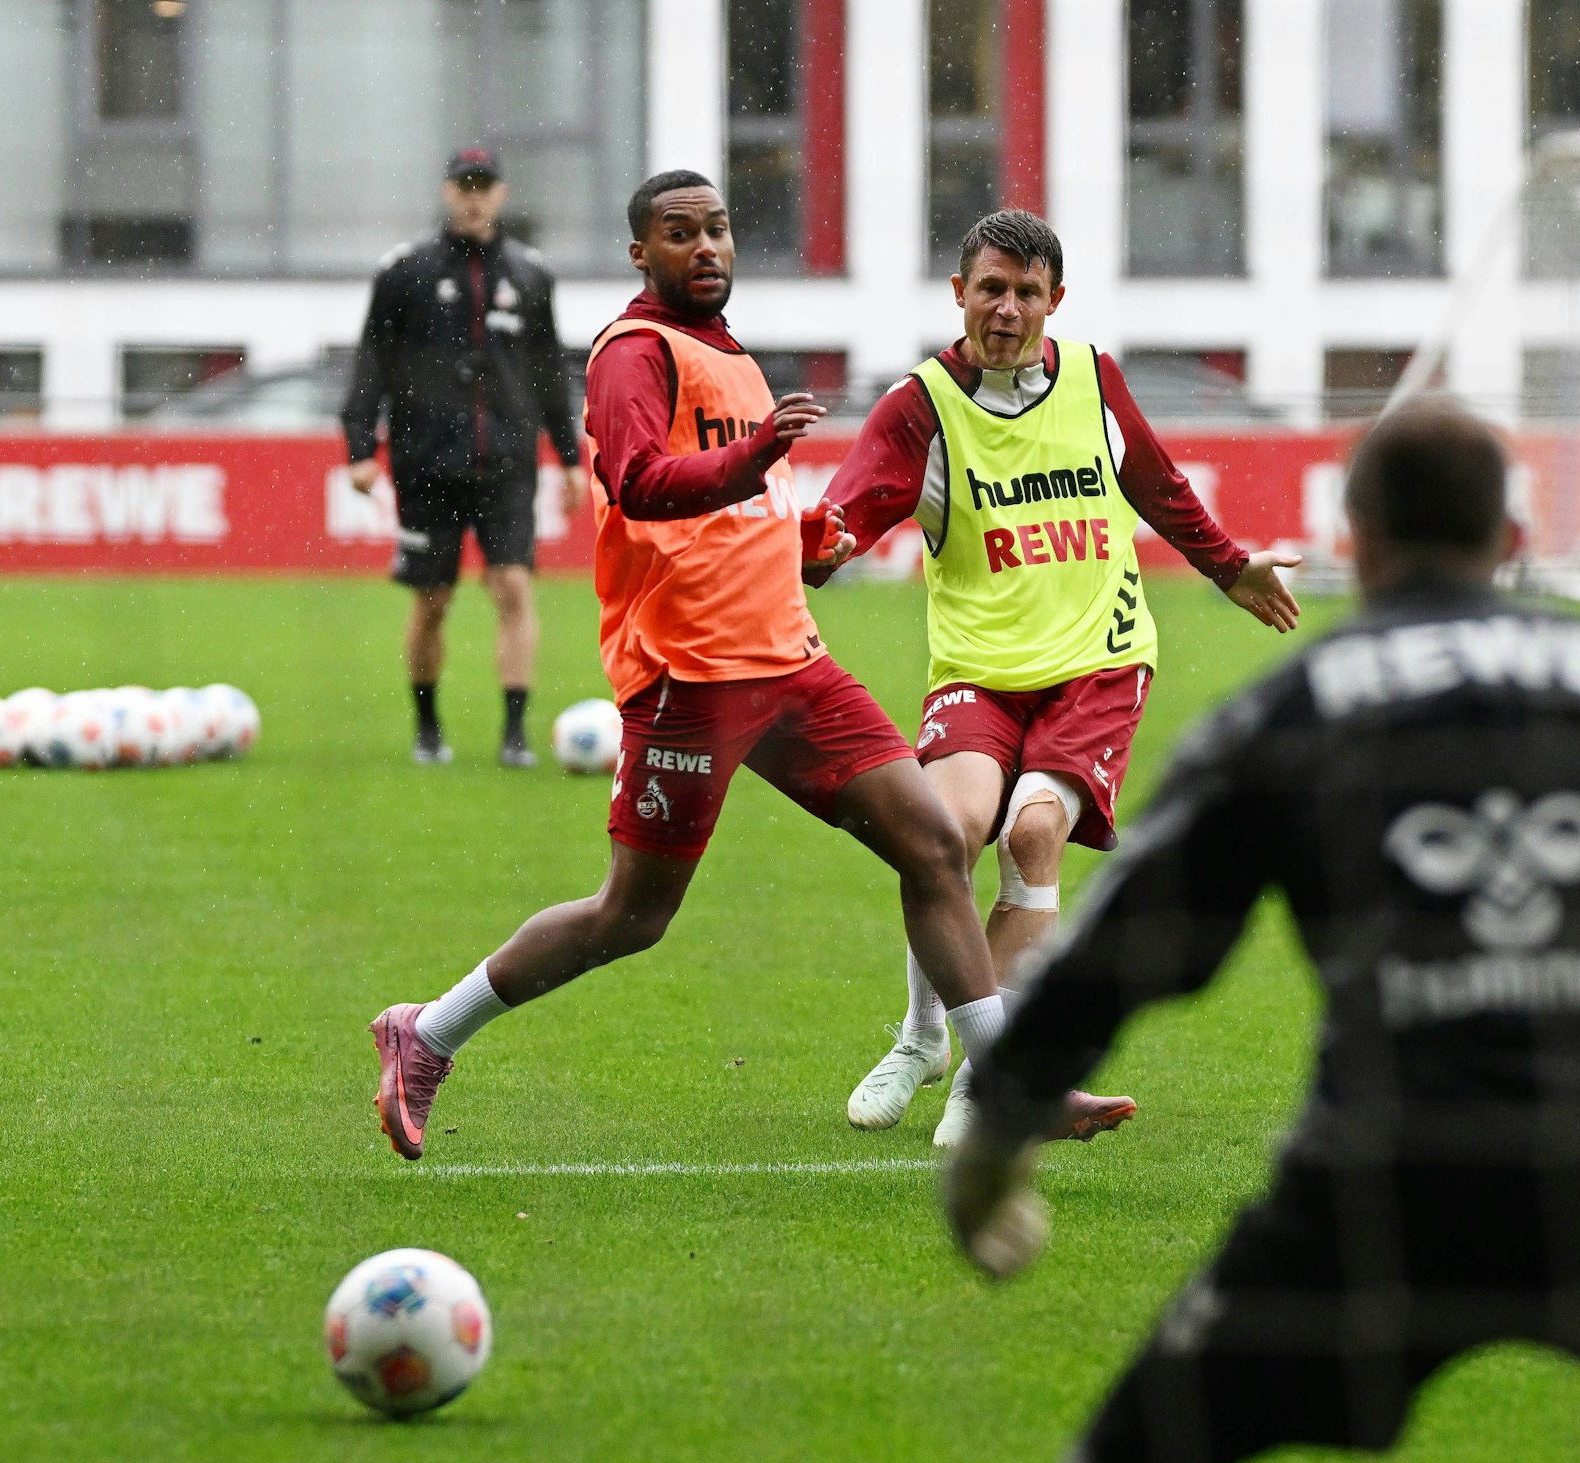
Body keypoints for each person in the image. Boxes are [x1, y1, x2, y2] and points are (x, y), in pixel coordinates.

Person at [945, 400, 1580, 1463]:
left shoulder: (1289, 711)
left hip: (1384, 1186)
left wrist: (989, 1158)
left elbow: (1119, 959)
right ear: (1508, 544)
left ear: (1355, 540)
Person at [368, 171, 1115, 1161]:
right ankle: (424, 1035)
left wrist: (816, 528)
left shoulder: (732, 356)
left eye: (717, 229)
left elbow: (747, 510)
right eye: (679, 234)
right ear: (642, 254)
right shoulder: (634, 354)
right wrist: (753, 455)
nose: (706, 247)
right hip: (691, 676)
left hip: (790, 661)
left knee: (934, 844)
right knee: (631, 917)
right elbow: (637, 483)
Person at [822, 210, 1301, 1148]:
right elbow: (847, 512)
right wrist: (814, 547)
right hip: (978, 673)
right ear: (958, 293)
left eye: (1027, 292)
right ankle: (922, 1039)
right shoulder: (919, 406)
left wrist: (1226, 564)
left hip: (1099, 663)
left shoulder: (1092, 378)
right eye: (991, 288)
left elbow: (1156, 485)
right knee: (947, 832)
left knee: (1033, 833)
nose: (1008, 308)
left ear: (1056, 300)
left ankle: (980, 1082)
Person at [341, 146, 587, 768]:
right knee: (432, 599)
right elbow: (373, 360)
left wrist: (568, 456)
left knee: (512, 587)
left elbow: (548, 371)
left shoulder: (530, 274)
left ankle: (513, 734)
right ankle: (427, 727)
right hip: (427, 462)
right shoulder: (406, 271)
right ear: (448, 192)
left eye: (484, 186)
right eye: (463, 186)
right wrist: (360, 447)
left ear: (501, 193)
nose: (474, 197)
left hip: (506, 462)